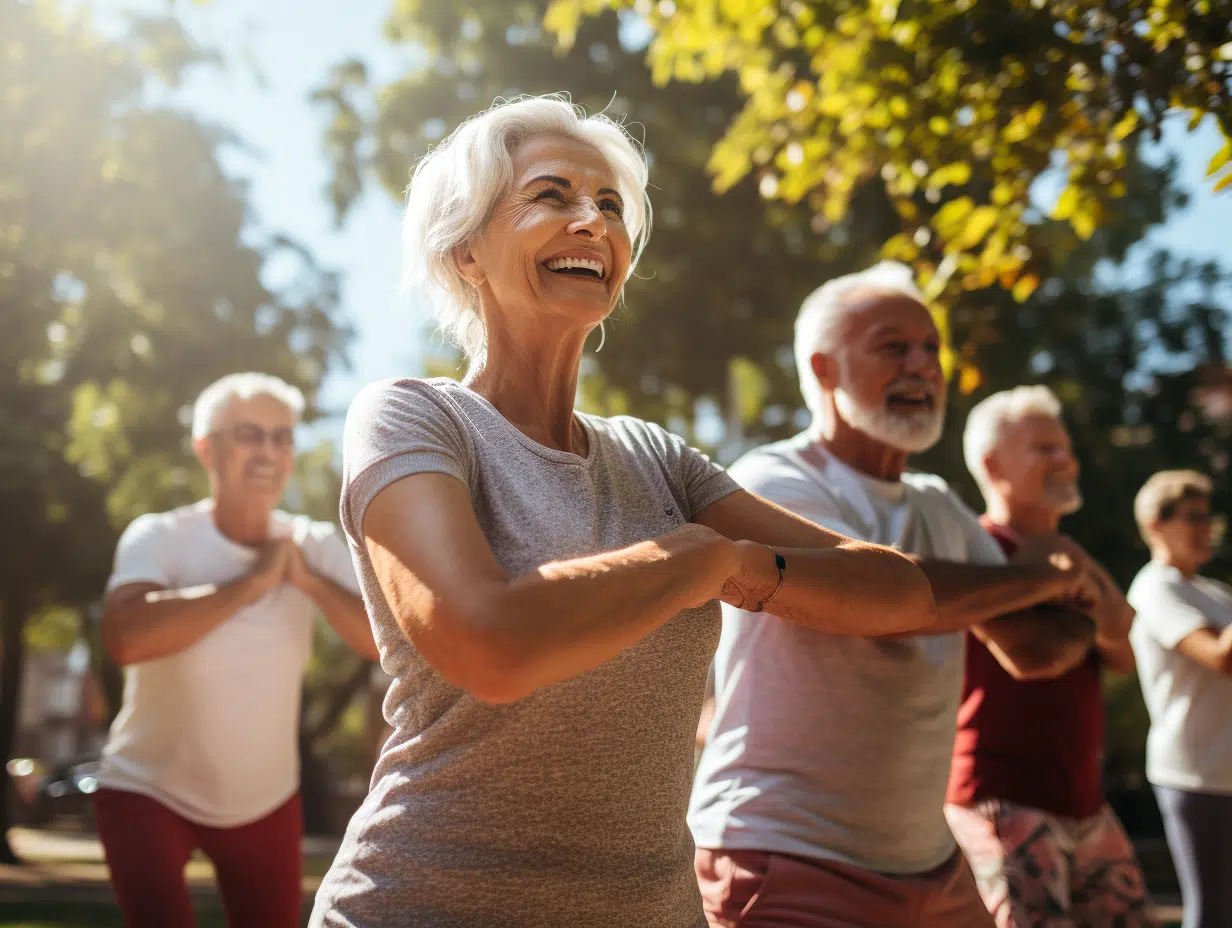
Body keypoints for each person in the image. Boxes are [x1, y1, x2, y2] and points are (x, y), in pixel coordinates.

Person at [309, 95, 935, 928]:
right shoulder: (412, 419)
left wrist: (739, 563)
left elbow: (900, 597)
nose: (591, 223)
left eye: (609, 207)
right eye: (551, 195)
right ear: (465, 249)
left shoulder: (657, 458)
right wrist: (690, 563)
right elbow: (487, 643)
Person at [689, 262, 1112, 928]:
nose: (923, 366)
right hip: (783, 852)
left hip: (933, 868)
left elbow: (1038, 647)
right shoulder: (771, 479)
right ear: (824, 370)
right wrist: (1041, 580)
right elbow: (879, 607)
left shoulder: (940, 505)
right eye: (894, 347)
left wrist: (1040, 599)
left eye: (931, 350)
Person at [96, 372, 378, 928]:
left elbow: (385, 641)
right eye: (250, 434)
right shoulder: (158, 537)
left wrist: (308, 582)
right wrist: (251, 583)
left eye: (282, 437)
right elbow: (126, 637)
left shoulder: (313, 545)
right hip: (147, 790)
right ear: (207, 448)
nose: (269, 451)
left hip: (265, 803)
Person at [945, 386, 1154, 927]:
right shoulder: (973, 549)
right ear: (992, 464)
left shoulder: (1073, 554)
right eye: (1044, 449)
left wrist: (1100, 625)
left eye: (1065, 447)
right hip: (1001, 803)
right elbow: (1038, 656)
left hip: (1085, 803)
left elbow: (1123, 651)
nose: (1067, 459)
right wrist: (1098, 619)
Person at [1128, 470, 1232, 928]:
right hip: (1195, 774)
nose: (1204, 528)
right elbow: (1219, 657)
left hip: (1225, 770)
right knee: (1211, 913)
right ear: (1155, 524)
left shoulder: (1215, 593)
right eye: (1191, 517)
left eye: (1206, 517)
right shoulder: (1155, 587)